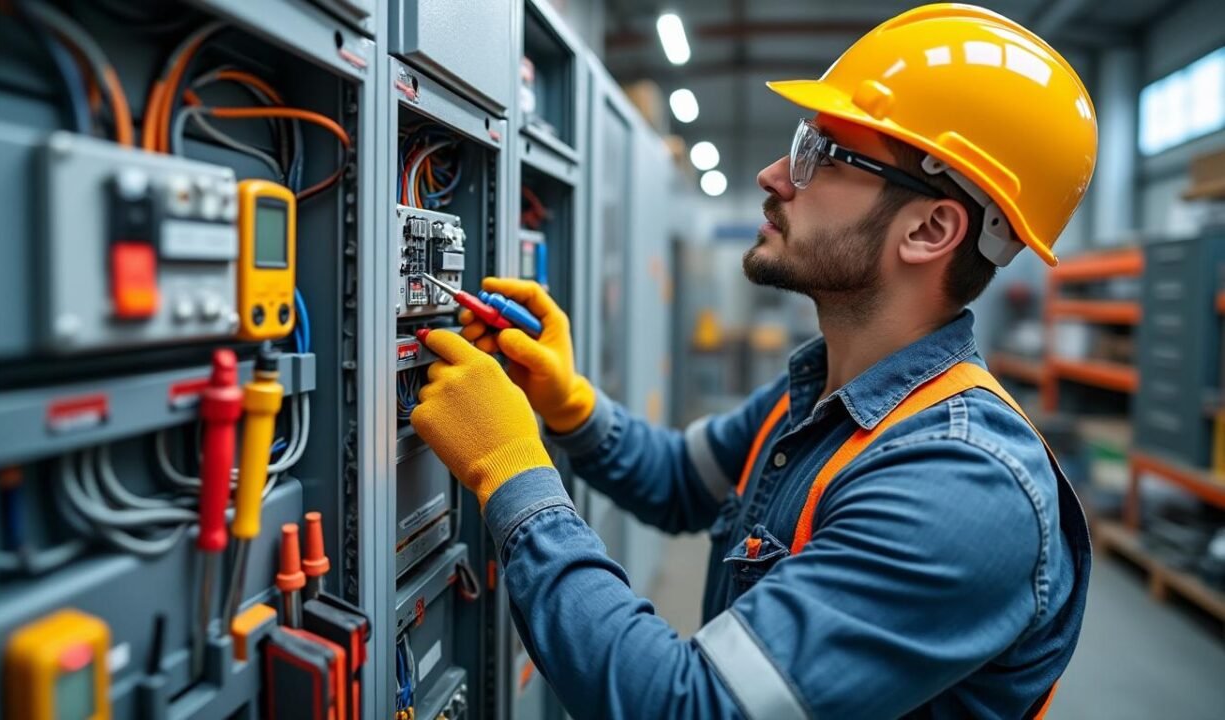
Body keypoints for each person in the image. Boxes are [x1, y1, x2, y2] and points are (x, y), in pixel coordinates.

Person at [411, 4, 1095, 718]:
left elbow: (684, 707)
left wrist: (512, 471)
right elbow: (680, 481)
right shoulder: (826, 388)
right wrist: (571, 406)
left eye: (821, 154)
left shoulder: (961, 486)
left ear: (928, 229)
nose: (773, 175)